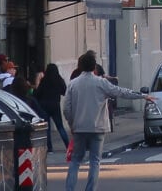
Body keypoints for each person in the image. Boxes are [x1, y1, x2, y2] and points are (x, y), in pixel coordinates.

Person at [64, 52, 153, 191]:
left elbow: (67, 108)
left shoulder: (73, 84)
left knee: (75, 161)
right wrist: (142, 96)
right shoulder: (101, 83)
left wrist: (72, 123)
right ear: (94, 67)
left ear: (80, 67)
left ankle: (69, 189)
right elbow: (120, 92)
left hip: (79, 127)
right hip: (98, 126)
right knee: (95, 161)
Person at [34, 64, 70, 153]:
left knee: (47, 128)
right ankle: (68, 146)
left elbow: (37, 94)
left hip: (44, 105)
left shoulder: (44, 80)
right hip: (55, 105)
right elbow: (64, 91)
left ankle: (50, 148)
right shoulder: (59, 80)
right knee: (60, 126)